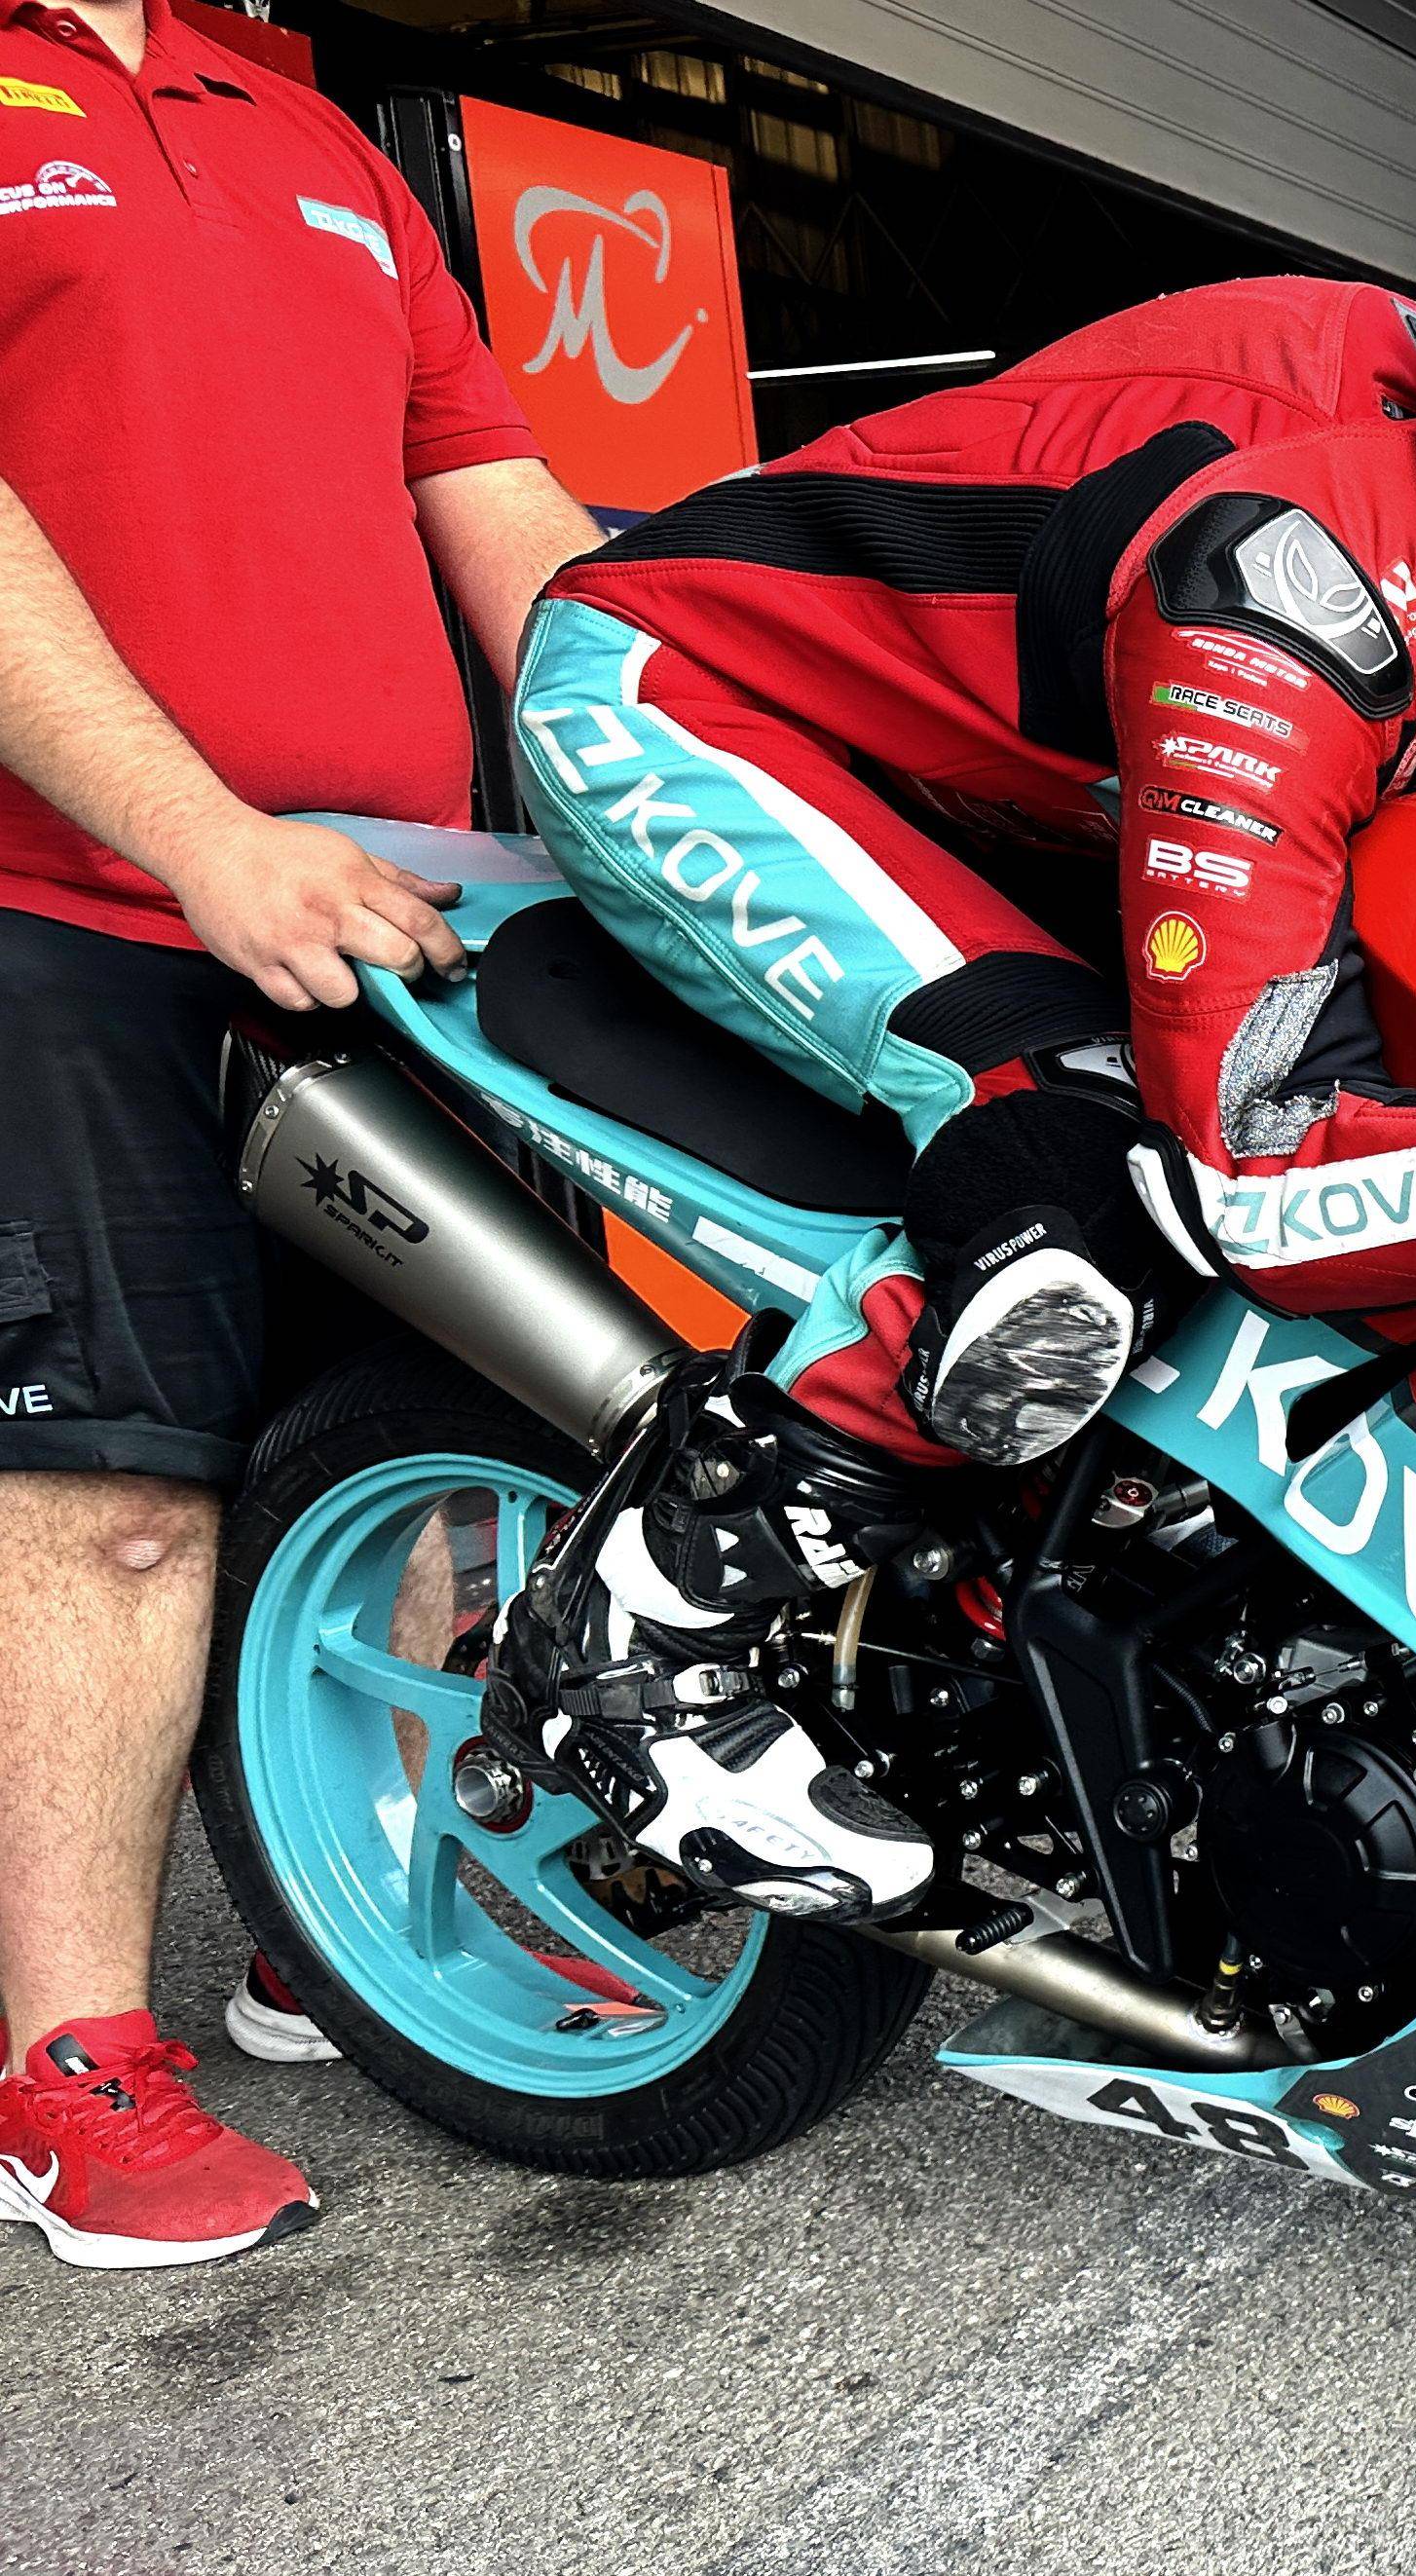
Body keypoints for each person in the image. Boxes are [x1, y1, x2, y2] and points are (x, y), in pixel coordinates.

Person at [489, 141, 1416, 1925]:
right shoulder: (1288, 576)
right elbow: (1259, 1175)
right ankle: (647, 1613)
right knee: (1086, 1161)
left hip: (1002, 790)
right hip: (694, 701)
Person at [0, 0, 599, 2265]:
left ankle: (344, 1916)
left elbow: (501, 502)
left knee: (418, 1454)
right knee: (117, 1496)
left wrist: (688, 791)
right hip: (69, 903)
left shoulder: (305, 124)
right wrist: (200, 837)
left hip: (399, 911)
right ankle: (70, 2063)